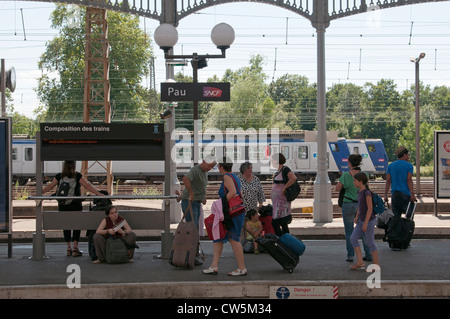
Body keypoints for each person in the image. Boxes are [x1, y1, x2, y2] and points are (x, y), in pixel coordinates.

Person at [42, 160, 104, 257]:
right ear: (74, 166)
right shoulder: (77, 176)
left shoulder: (59, 176)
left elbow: (50, 186)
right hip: (75, 205)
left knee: (66, 225)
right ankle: (75, 248)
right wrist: (98, 193)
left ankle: (68, 248)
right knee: (76, 225)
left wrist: (39, 192)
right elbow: (87, 185)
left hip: (63, 205)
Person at [203, 157, 247, 276]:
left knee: (233, 238)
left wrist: (220, 203)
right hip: (234, 212)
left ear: (222, 167)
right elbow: (240, 193)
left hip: (231, 213)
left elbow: (233, 192)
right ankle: (214, 266)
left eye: (218, 166)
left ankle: (242, 268)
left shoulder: (226, 177)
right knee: (219, 237)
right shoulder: (235, 177)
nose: (218, 168)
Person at [335, 154, 372, 262]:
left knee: (349, 231)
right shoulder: (365, 175)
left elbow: (337, 189)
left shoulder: (346, 175)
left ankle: (350, 256)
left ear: (349, 163)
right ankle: (369, 254)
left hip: (348, 204)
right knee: (364, 230)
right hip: (362, 206)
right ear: (359, 162)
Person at [180, 155, 216, 265]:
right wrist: (191, 193)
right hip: (190, 202)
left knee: (195, 228)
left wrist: (202, 197)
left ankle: (193, 254)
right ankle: (190, 256)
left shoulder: (204, 172)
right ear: (204, 162)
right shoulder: (195, 170)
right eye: (209, 166)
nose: (209, 169)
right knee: (193, 229)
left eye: (211, 167)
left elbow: (200, 186)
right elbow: (185, 179)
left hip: (196, 202)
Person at [350, 172, 379, 270]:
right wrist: (357, 216)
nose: (353, 182)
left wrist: (365, 223)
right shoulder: (359, 192)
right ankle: (360, 262)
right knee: (353, 238)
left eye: (355, 180)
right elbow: (360, 206)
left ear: (360, 182)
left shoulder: (367, 193)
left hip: (369, 221)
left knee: (370, 242)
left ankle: (376, 265)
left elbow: (370, 209)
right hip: (361, 220)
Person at [384, 146, 417, 217]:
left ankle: (398, 228)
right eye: (408, 155)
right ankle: (407, 228)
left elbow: (388, 181)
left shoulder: (391, 166)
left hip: (395, 195)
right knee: (409, 216)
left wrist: (385, 194)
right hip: (406, 195)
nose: (409, 157)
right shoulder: (409, 166)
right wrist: (412, 194)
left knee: (396, 217)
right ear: (404, 155)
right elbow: (409, 180)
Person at [271, 153, 297, 236]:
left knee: (277, 222)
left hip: (282, 202)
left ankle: (282, 240)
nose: (271, 162)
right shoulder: (279, 171)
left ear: (276, 161)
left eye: (272, 160)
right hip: (278, 202)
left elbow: (293, 178)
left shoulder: (285, 169)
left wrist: (284, 187)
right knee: (282, 223)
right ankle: (285, 240)